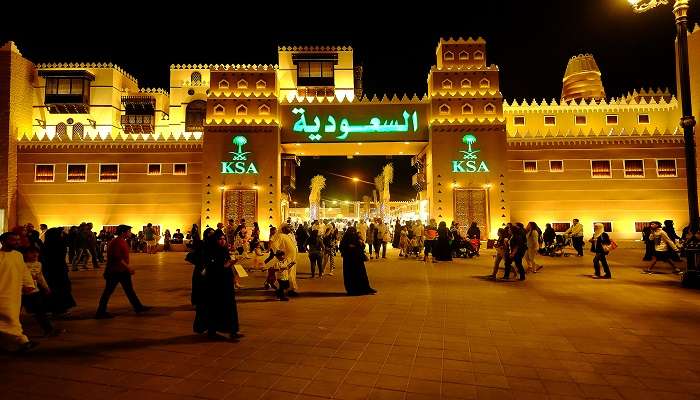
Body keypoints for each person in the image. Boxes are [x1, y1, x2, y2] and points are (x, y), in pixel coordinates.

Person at [95, 225, 151, 319]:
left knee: (129, 290)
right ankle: (100, 312)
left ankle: (138, 307)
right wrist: (128, 267)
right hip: (115, 271)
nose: (130, 233)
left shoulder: (121, 241)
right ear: (123, 232)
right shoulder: (117, 242)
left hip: (121, 270)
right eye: (128, 231)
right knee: (108, 291)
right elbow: (117, 257)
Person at [200, 230, 243, 340]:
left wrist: (232, 273)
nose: (222, 241)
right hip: (216, 285)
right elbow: (211, 268)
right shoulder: (211, 252)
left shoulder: (224, 251)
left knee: (230, 307)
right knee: (215, 307)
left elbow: (227, 265)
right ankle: (212, 330)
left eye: (224, 239)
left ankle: (232, 330)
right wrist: (225, 265)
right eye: (220, 239)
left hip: (226, 283)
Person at [0, 232, 39, 352]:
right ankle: (22, 340)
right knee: (10, 319)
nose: (17, 242)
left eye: (18, 240)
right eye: (13, 240)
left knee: (12, 318)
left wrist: (28, 285)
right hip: (2, 293)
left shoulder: (18, 255)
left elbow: (23, 271)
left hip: (14, 293)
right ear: (3, 242)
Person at [22, 248, 60, 336]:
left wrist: (46, 287)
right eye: (31, 253)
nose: (35, 255)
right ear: (25, 255)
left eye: (36, 253)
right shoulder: (21, 264)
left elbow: (40, 276)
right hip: (20, 291)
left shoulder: (38, 264)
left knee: (40, 311)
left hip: (34, 291)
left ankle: (48, 329)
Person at [42, 227, 76, 315]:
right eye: (60, 233)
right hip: (58, 269)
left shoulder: (47, 245)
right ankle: (59, 308)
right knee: (60, 289)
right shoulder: (59, 244)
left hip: (50, 270)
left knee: (53, 288)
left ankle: (52, 308)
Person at [339, 227, 377, 296]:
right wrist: (350, 247)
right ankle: (354, 290)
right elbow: (342, 248)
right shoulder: (346, 239)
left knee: (360, 275)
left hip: (356, 261)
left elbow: (361, 247)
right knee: (353, 276)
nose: (353, 234)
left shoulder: (354, 238)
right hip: (351, 261)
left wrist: (360, 243)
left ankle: (363, 289)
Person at [188, 227, 211, 334]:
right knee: (202, 303)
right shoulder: (202, 245)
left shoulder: (214, 246)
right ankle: (199, 326)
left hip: (209, 276)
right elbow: (192, 257)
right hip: (201, 276)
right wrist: (202, 266)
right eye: (210, 234)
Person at [278, 223, 299, 295]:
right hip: (287, 258)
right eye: (288, 228)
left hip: (292, 258)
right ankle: (289, 290)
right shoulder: (280, 236)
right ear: (283, 229)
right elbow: (275, 246)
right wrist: (280, 256)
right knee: (288, 274)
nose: (290, 229)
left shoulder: (289, 235)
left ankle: (291, 288)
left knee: (292, 273)